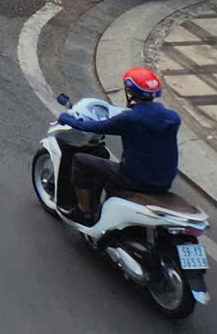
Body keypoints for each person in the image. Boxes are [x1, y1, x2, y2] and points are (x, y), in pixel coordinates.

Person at [60, 67, 182, 222]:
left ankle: (83, 211)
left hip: (135, 178)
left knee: (80, 160)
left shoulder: (130, 120)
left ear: (130, 92)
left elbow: (94, 127)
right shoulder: (173, 118)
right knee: (108, 167)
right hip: (164, 182)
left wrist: (67, 118)